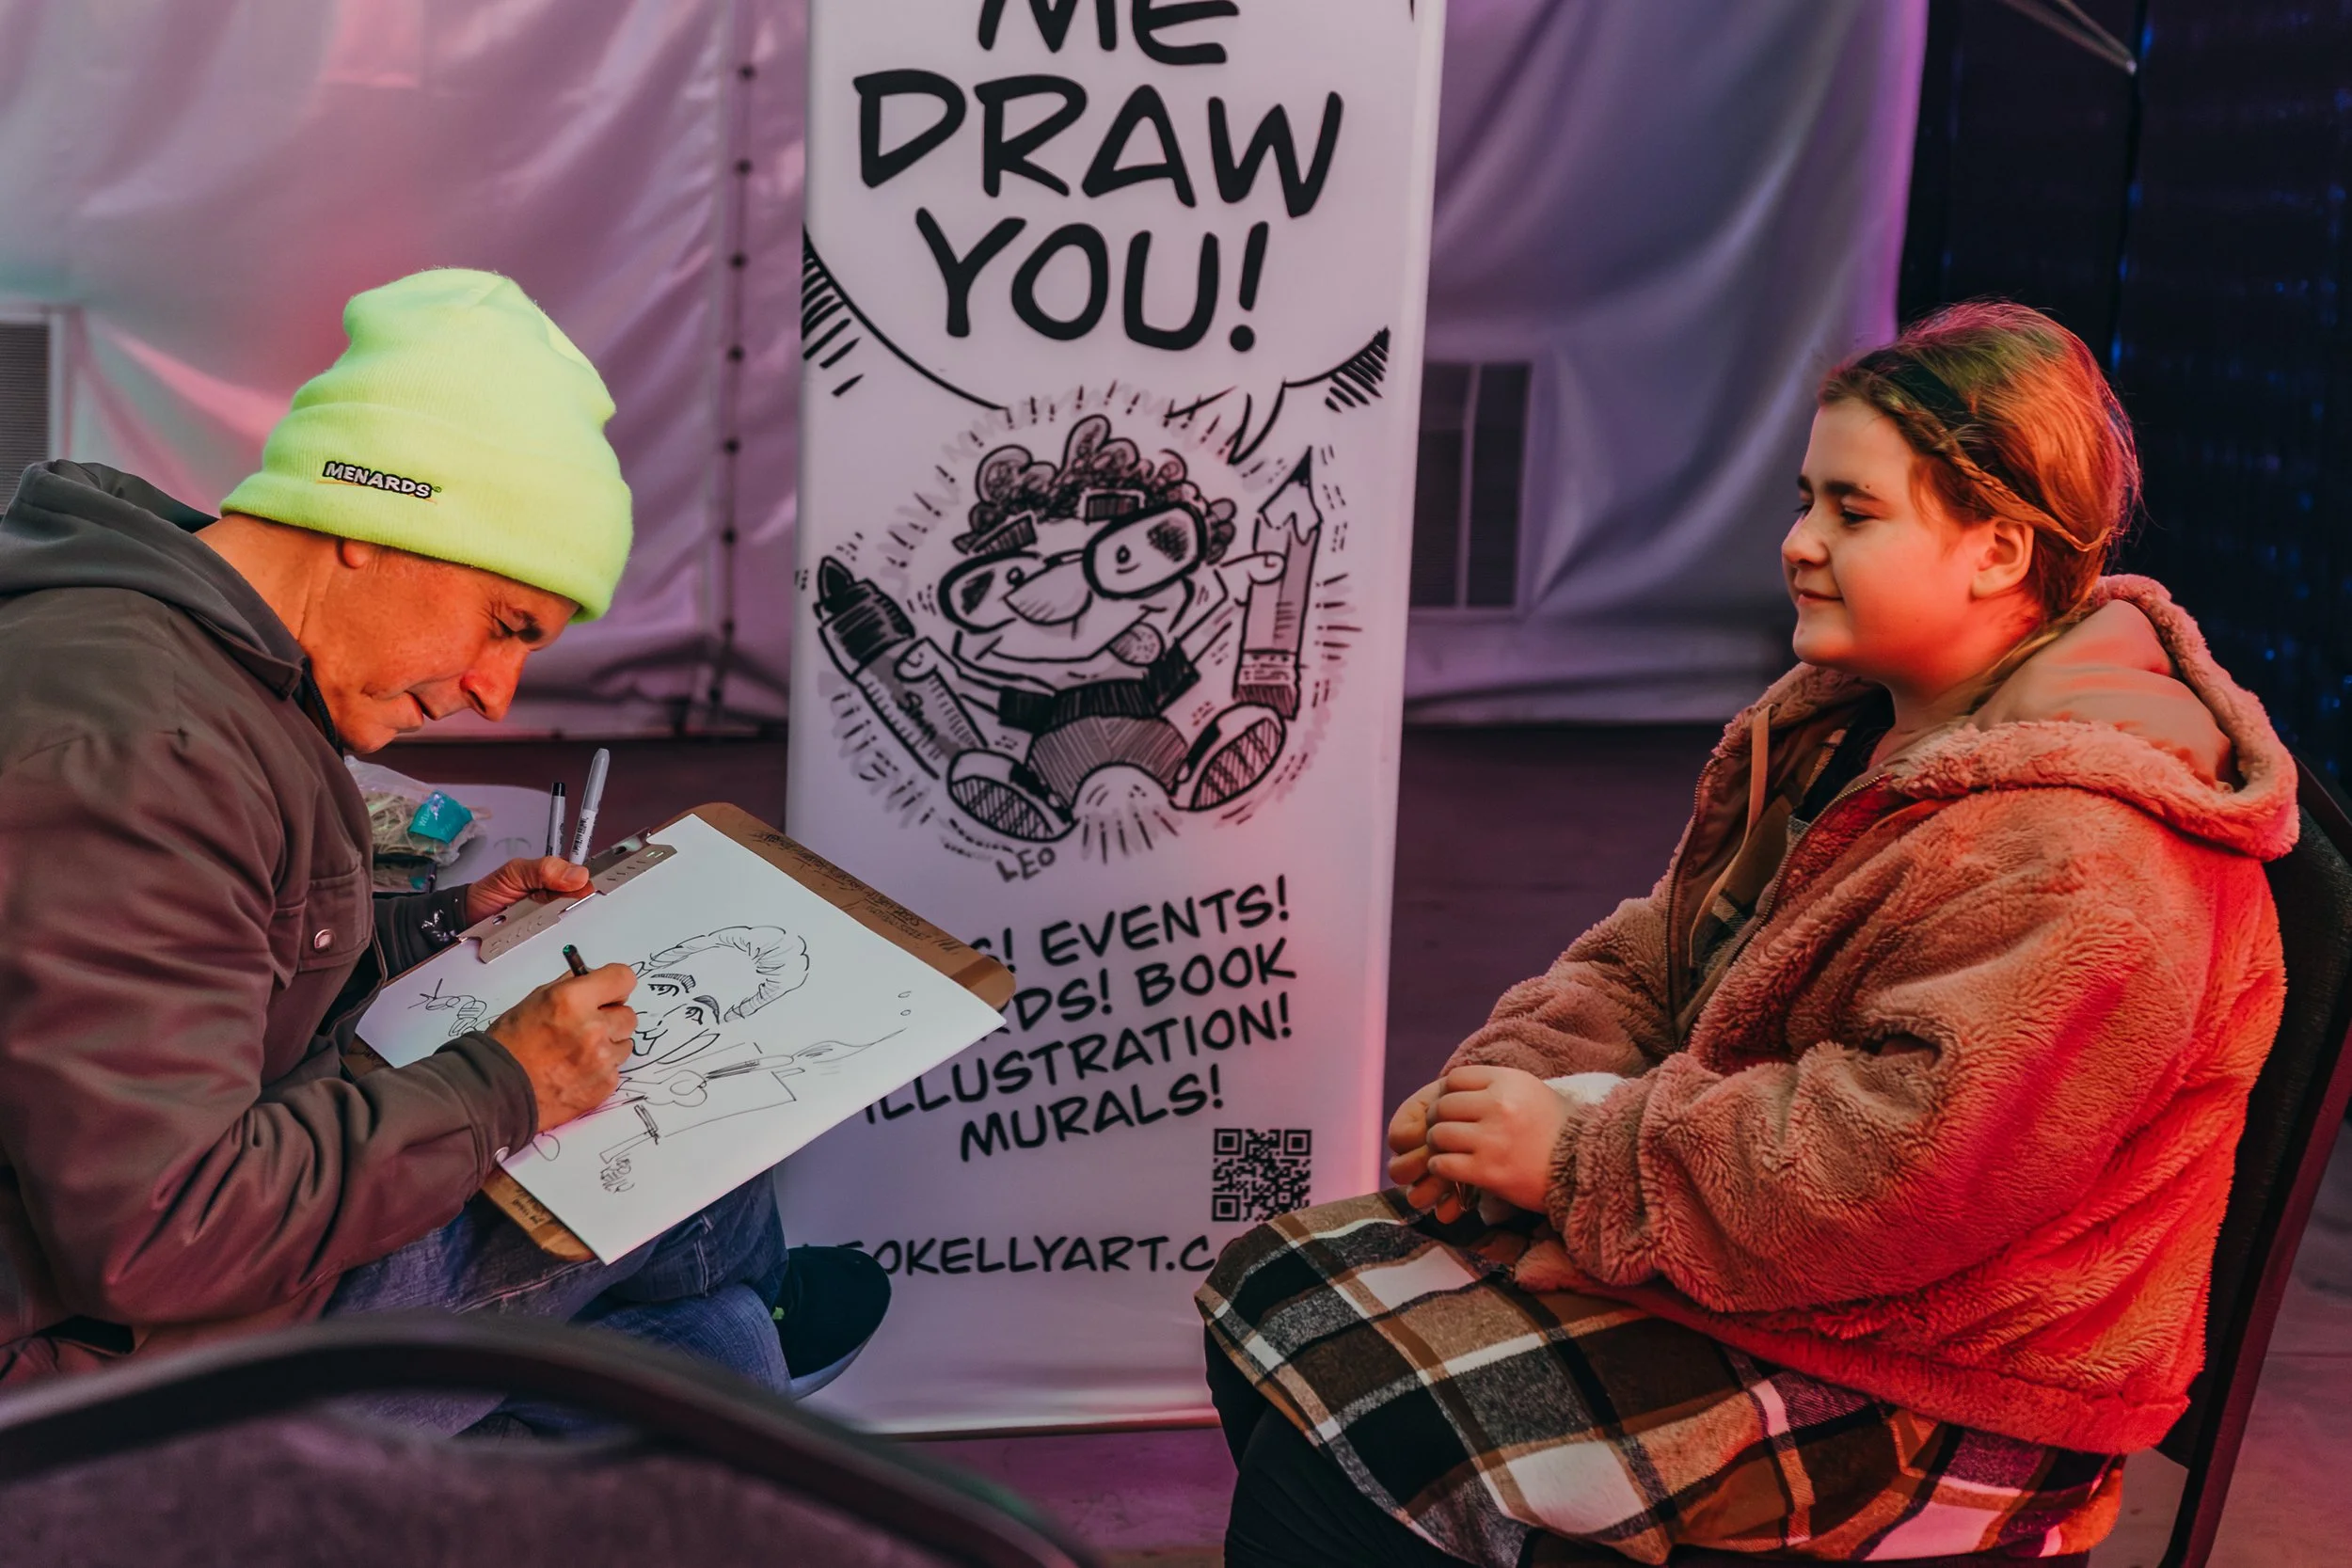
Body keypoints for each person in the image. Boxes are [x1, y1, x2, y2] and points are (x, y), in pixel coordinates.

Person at [1199, 301, 2298, 1565]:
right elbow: (1666, 947)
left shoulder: (2090, 855)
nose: (1799, 543)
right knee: (1274, 1304)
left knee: (1361, 1452)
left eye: (1853, 510)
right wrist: (1513, 1091)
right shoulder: (1852, 727)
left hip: (1951, 1378)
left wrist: (1578, 1157)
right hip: (1800, 1266)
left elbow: (1897, 1171)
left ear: (1996, 548)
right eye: (1806, 499)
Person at [0, 268, 887, 1423]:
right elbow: (166, 1232)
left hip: (136, 1299)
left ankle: (728, 1357)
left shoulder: (166, 651)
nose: (494, 691)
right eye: (505, 626)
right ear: (376, 523)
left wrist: (431, 928)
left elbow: (176, 963)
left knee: (701, 1330)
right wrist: (506, 1082)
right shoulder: (149, 744)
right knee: (685, 1226)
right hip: (102, 1380)